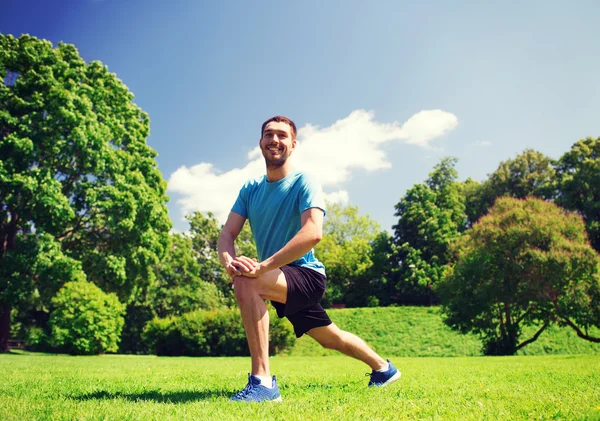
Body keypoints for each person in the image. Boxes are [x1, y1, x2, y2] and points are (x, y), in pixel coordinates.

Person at [217, 116, 401, 403]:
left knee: (247, 281)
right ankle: (383, 369)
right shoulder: (251, 188)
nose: (274, 140)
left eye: (281, 135)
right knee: (331, 338)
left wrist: (262, 267)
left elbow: (313, 232)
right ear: (260, 142)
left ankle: (262, 383)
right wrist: (229, 262)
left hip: (306, 275)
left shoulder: (304, 181)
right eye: (268, 134)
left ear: (293, 143)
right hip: (276, 277)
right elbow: (227, 233)